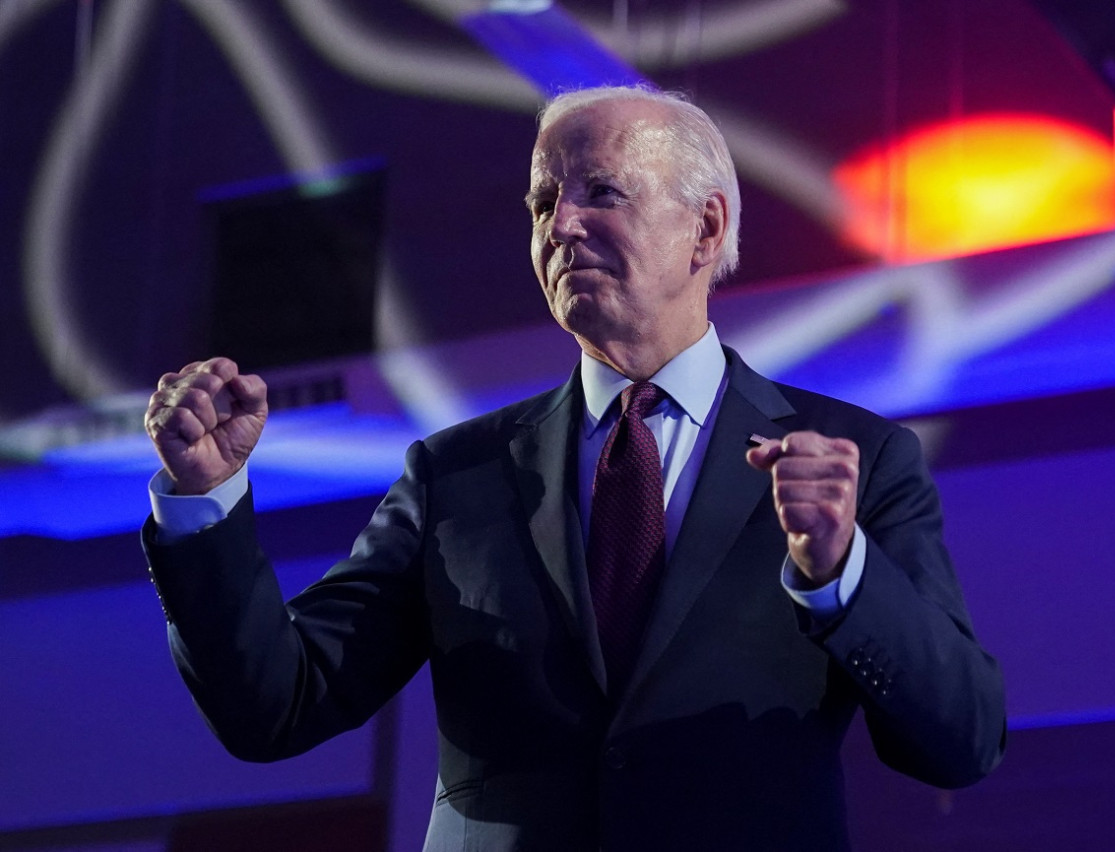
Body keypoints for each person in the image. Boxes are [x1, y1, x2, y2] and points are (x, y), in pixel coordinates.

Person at [142, 85, 1005, 851]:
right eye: (544, 200)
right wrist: (202, 502)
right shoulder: (455, 475)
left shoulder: (858, 460)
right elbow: (278, 702)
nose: (560, 224)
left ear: (704, 227)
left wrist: (841, 574)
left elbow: (961, 739)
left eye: (601, 192)